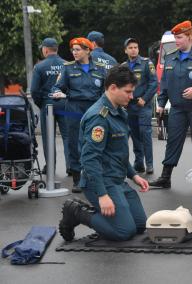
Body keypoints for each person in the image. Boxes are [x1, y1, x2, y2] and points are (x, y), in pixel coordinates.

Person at [58, 65, 150, 242]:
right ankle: (76, 212)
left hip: (117, 179)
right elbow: (89, 160)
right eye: (128, 91)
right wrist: (102, 195)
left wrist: (134, 175)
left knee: (140, 225)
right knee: (125, 231)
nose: (132, 96)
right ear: (113, 88)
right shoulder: (99, 117)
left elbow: (118, 152)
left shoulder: (118, 111)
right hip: (99, 182)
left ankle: (109, 211)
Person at [149, 20, 192, 189]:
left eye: (179, 37)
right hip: (177, 109)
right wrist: (160, 103)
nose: (177, 41)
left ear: (189, 36)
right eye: (175, 38)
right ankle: (165, 178)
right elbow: (164, 83)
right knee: (172, 141)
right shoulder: (170, 57)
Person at [51, 37, 107, 193]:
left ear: (88, 50)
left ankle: (95, 176)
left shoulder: (100, 68)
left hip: (95, 108)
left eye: (78, 50)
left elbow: (106, 91)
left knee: (96, 141)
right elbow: (57, 87)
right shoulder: (68, 68)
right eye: (73, 50)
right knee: (75, 143)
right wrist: (56, 92)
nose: (74, 53)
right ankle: (77, 179)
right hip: (74, 108)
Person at [30, 38, 70, 176]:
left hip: (47, 104)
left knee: (48, 137)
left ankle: (51, 166)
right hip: (65, 104)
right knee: (68, 136)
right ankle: (71, 166)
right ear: (57, 49)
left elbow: (34, 90)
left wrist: (41, 103)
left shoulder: (40, 67)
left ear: (45, 49)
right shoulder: (67, 64)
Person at [122, 38, 157, 174]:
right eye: (130, 47)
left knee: (145, 134)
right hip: (129, 106)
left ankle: (149, 164)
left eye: (135, 47)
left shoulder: (146, 63)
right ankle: (139, 163)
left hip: (143, 105)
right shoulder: (123, 66)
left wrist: (144, 98)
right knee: (134, 134)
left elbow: (154, 83)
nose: (133, 49)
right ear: (126, 50)